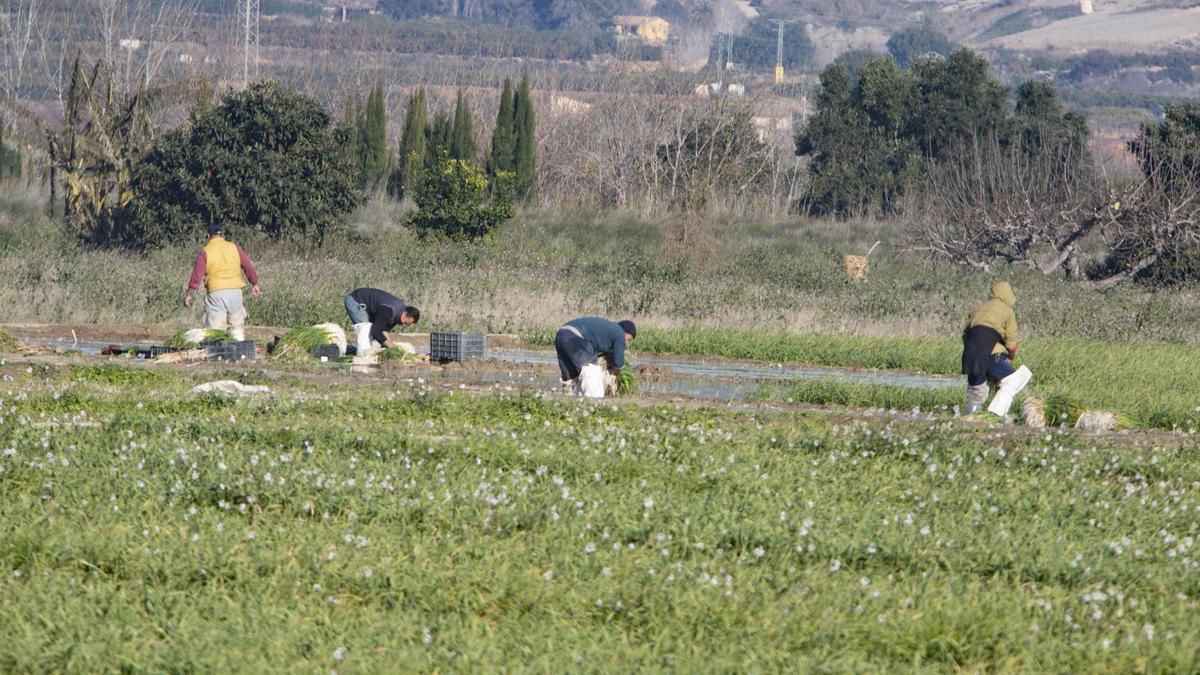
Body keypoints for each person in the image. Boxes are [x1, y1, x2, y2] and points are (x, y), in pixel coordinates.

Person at [961, 281, 1032, 416]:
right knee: (1016, 380)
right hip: (992, 356)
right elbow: (1011, 341)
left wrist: (974, 351)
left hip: (971, 355)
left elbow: (966, 335)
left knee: (976, 392)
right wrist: (1010, 357)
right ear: (1007, 294)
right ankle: (997, 414)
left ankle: (968, 420)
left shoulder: (979, 309)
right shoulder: (1007, 310)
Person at [183, 223, 260, 341]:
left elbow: (196, 276)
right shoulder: (234, 247)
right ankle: (239, 353)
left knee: (217, 331)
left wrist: (189, 295)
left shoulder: (205, 251)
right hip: (235, 293)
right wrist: (255, 283)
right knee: (237, 328)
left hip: (217, 294)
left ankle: (219, 354)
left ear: (208, 236)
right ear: (222, 235)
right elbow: (248, 266)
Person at [555, 317, 636, 397]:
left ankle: (568, 398)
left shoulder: (608, 331)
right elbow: (618, 362)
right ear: (626, 332)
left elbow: (600, 352)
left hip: (561, 334)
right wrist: (618, 371)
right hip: (575, 338)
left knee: (571, 377)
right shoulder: (620, 333)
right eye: (629, 339)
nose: (627, 343)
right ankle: (594, 402)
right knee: (592, 371)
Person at [344, 287, 420, 356]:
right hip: (355, 300)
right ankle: (362, 357)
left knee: (372, 337)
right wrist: (391, 347)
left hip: (367, 308)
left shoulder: (398, 315)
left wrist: (393, 349)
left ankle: (366, 353)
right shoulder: (389, 310)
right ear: (405, 313)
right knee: (365, 329)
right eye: (407, 322)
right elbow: (376, 331)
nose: (406, 325)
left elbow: (384, 331)